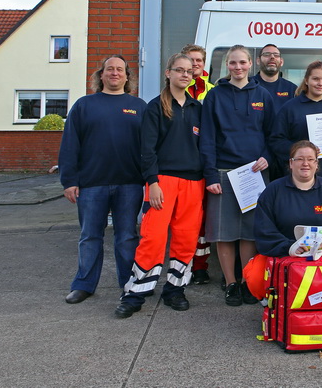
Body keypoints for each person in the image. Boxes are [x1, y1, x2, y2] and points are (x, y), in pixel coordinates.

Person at [115, 54, 205, 318]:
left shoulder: (197, 108)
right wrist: (152, 182)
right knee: (152, 237)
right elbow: (147, 150)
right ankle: (135, 294)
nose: (185, 75)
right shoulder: (155, 107)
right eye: (180, 70)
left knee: (186, 239)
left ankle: (175, 289)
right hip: (162, 181)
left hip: (193, 182)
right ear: (168, 73)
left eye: (189, 71)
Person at [59, 56, 147, 304]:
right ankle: (84, 285)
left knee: (127, 236)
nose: (115, 73)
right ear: (101, 75)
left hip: (129, 183)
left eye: (120, 69)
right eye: (110, 69)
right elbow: (69, 145)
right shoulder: (84, 105)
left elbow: (148, 148)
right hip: (91, 184)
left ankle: (129, 284)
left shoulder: (138, 106)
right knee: (90, 236)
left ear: (128, 76)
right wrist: (69, 181)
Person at [200, 44, 274, 306]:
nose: (238, 67)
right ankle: (231, 283)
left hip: (254, 173)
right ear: (227, 66)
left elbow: (272, 134)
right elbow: (207, 138)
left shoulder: (262, 95)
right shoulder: (215, 96)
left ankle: (245, 281)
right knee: (224, 231)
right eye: (233, 63)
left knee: (248, 232)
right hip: (223, 172)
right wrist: (210, 175)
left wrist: (267, 155)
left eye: (242, 63)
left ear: (251, 65)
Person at [254, 141, 322, 258]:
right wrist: (290, 247)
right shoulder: (273, 191)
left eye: (311, 159)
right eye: (300, 159)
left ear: (316, 164)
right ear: (291, 163)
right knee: (254, 275)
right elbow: (264, 230)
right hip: (284, 257)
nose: (305, 163)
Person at [270, 61, 322, 191]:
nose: (320, 83)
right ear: (306, 80)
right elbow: (276, 141)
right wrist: (300, 150)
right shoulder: (290, 108)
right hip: (301, 178)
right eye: (316, 79)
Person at [181, 43, 213, 285]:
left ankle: (201, 266)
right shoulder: (175, 88)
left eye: (198, 61)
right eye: (190, 60)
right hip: (183, 163)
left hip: (205, 161)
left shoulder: (213, 91)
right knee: (185, 221)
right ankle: (185, 264)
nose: (194, 65)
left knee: (204, 221)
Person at [251, 44, 297, 113]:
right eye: (267, 54)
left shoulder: (292, 89)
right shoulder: (248, 85)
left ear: (281, 62)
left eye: (276, 55)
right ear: (258, 61)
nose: (272, 57)